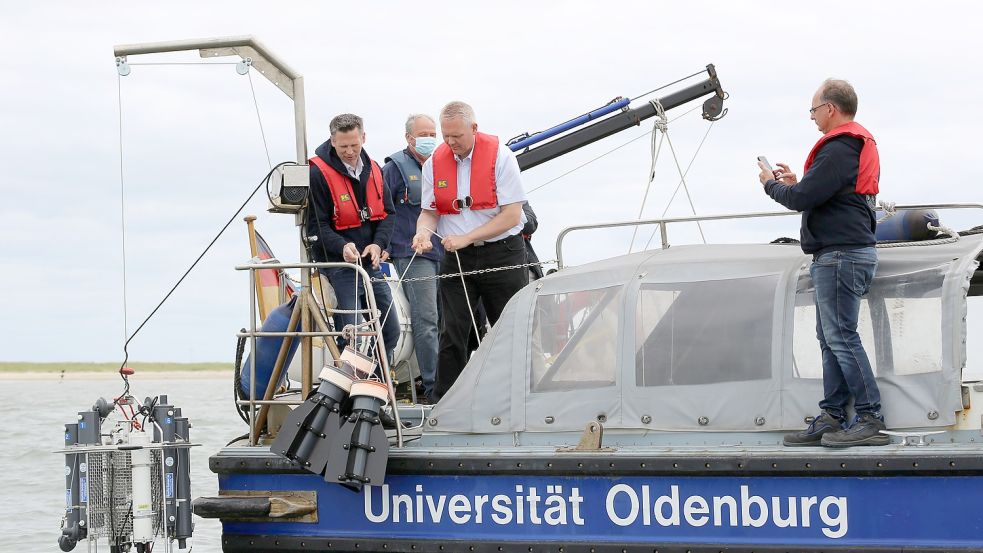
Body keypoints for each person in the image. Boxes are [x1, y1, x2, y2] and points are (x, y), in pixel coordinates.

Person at [758, 79, 886, 448]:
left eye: (813, 111)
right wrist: (801, 182)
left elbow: (801, 199)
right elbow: (820, 192)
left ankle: (869, 417)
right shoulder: (850, 147)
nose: (812, 118)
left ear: (830, 109)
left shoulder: (840, 147)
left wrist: (772, 185)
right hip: (842, 254)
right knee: (830, 339)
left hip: (840, 255)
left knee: (841, 337)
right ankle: (832, 416)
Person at [413, 101, 529, 401]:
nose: (451, 143)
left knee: (509, 329)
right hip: (457, 258)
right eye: (446, 137)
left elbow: (512, 215)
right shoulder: (433, 164)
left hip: (502, 253)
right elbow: (429, 212)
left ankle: (516, 398)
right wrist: (422, 234)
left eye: (457, 137)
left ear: (474, 129)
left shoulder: (501, 157)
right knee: (452, 331)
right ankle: (445, 402)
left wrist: (467, 237)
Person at [307, 113, 400, 364]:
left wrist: (378, 244)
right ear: (332, 141)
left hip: (371, 264)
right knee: (353, 334)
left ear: (364, 138)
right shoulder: (317, 174)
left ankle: (376, 383)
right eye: (343, 145)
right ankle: (350, 387)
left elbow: (388, 214)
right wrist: (342, 246)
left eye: (355, 145)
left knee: (391, 330)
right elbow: (315, 227)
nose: (349, 151)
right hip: (341, 266)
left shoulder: (375, 169)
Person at [382, 114, 444, 401]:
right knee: (427, 320)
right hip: (412, 252)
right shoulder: (394, 169)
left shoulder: (442, 163)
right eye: (423, 133)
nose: (430, 137)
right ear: (409, 138)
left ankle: (449, 381)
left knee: (448, 321)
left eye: (433, 132)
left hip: (446, 250)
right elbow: (383, 211)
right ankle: (434, 389)